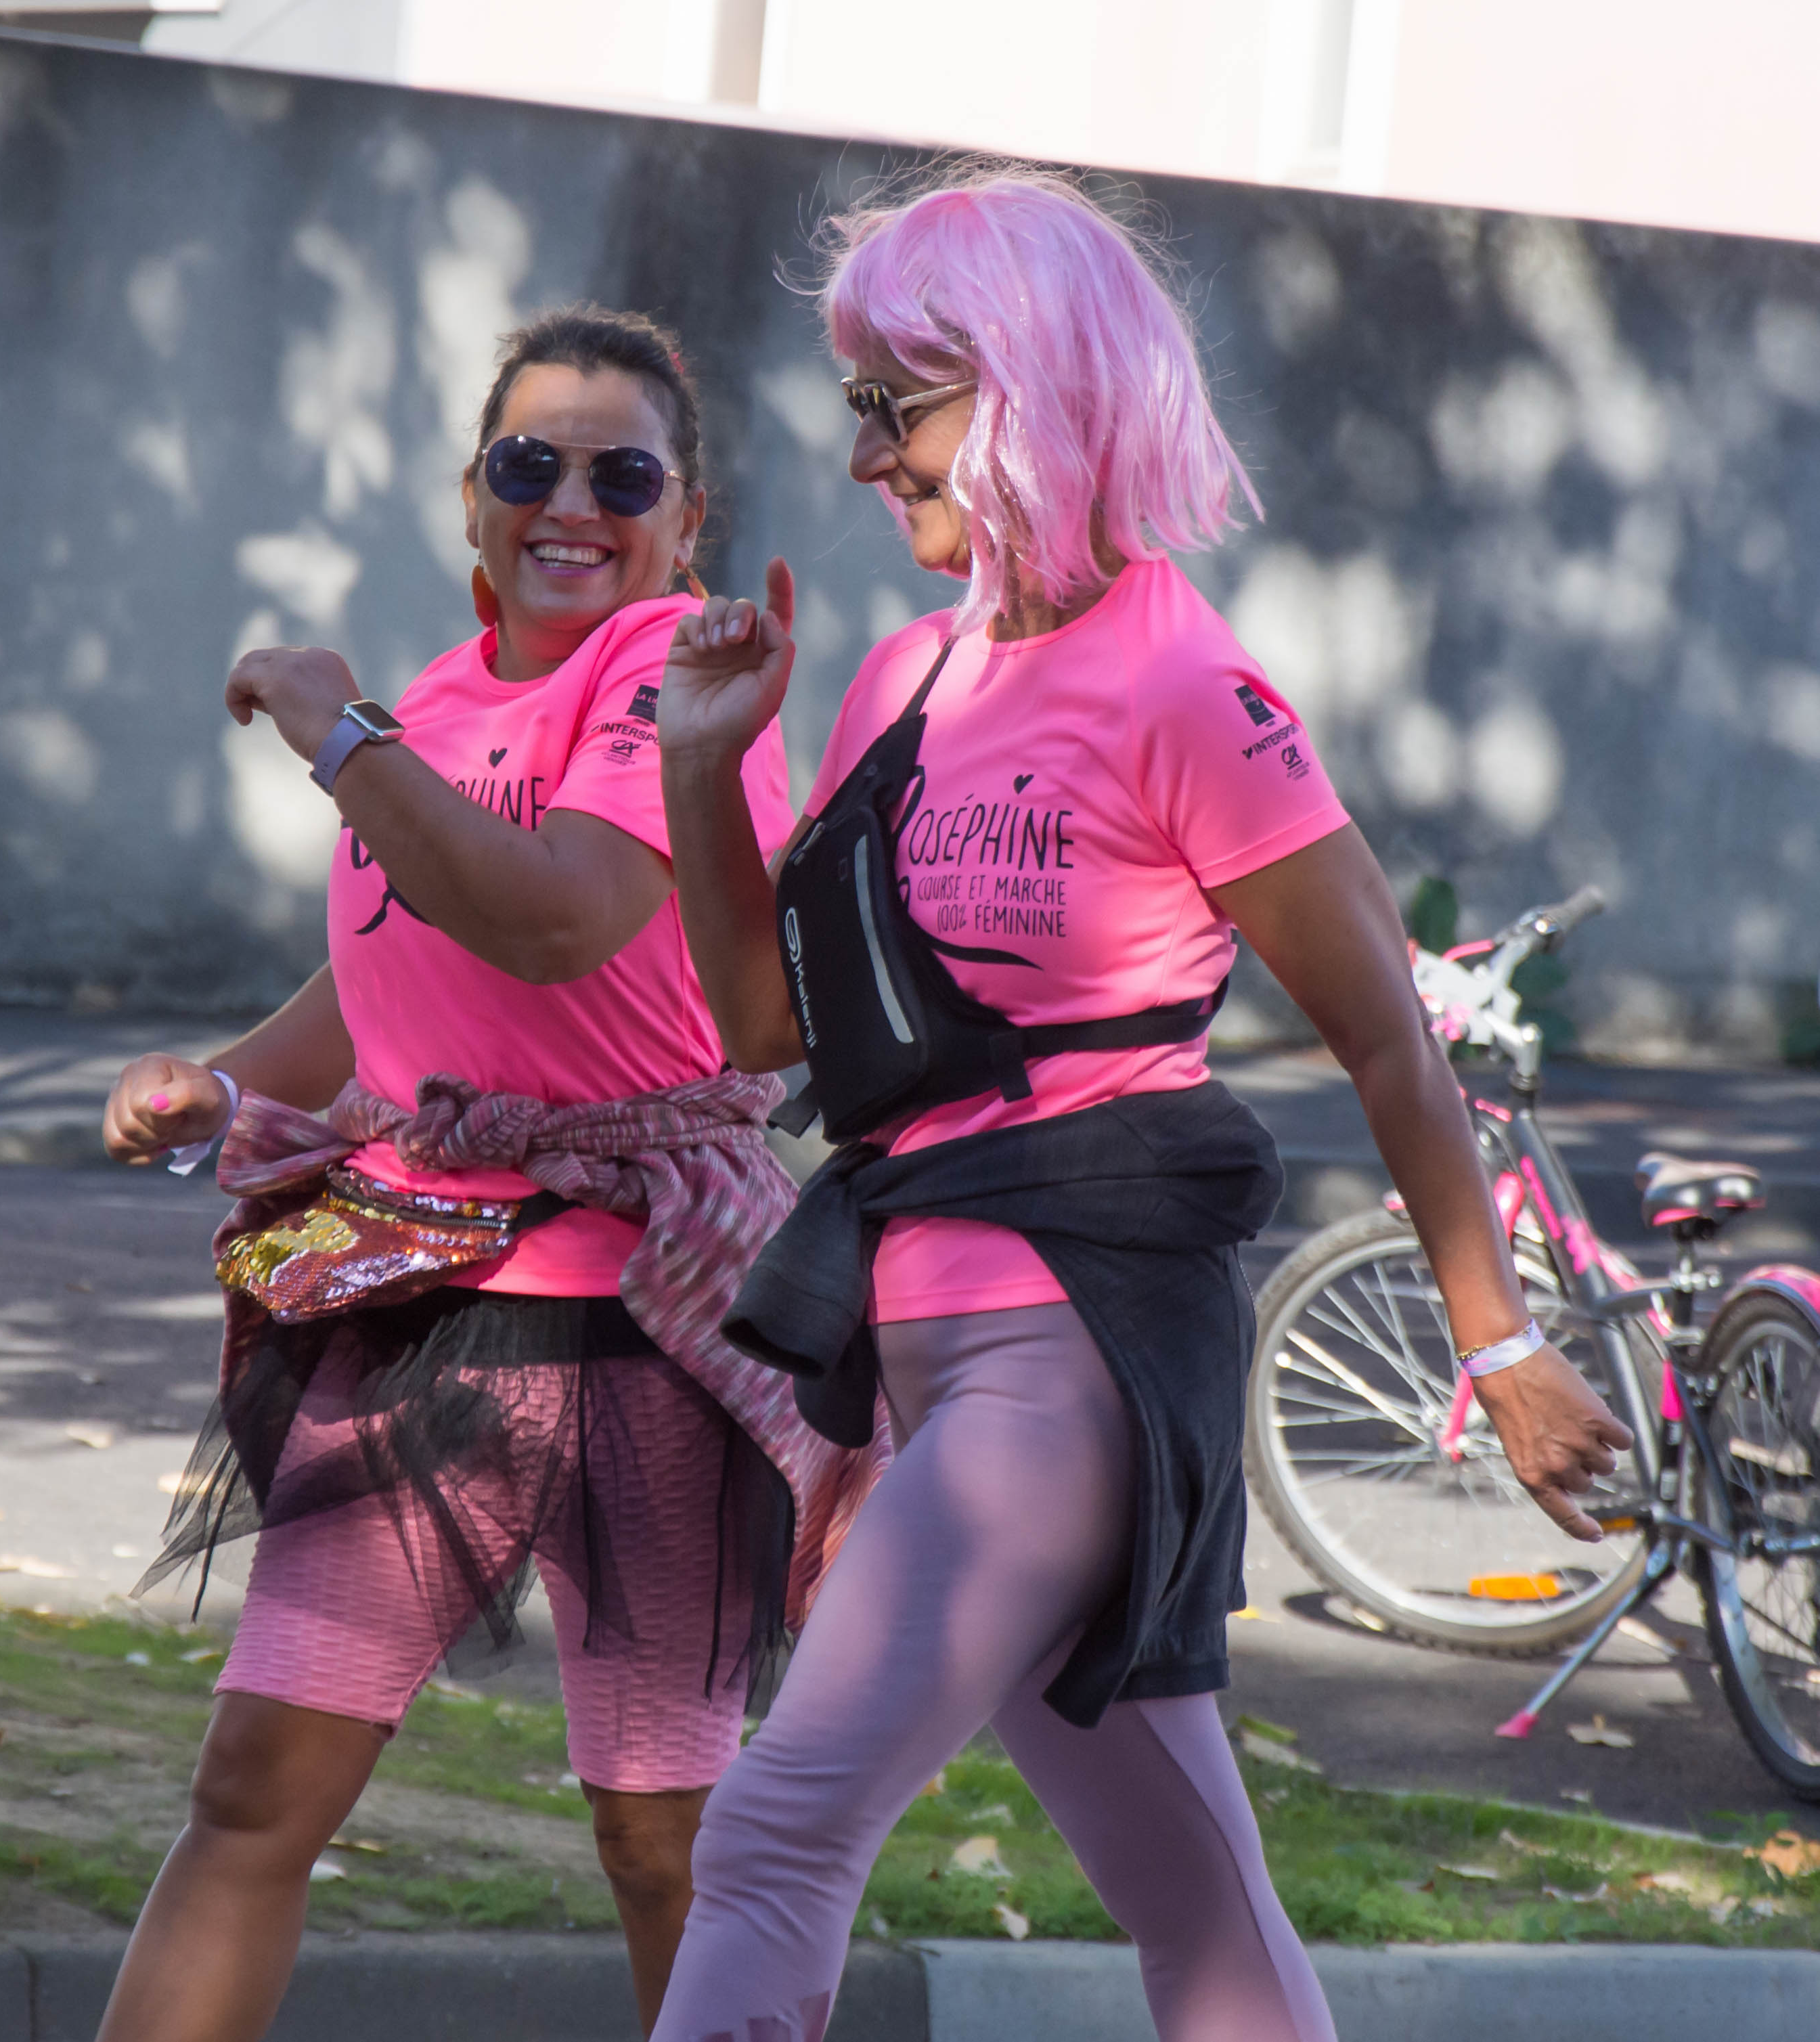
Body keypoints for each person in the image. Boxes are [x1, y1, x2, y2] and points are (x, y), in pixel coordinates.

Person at [646, 168, 1635, 2042]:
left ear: (1028, 384)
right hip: (934, 1356)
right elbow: (773, 1032)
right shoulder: (900, 679)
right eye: (853, 401)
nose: (862, 454)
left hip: (1072, 1358)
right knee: (1197, 1911)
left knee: (774, 1827)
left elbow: (1381, 1040)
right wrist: (710, 772)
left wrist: (1491, 1338)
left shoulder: (1187, 683)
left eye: (896, 401)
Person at [95, 305, 881, 2042]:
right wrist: (212, 1083)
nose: (571, 502)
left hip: (652, 1334)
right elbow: (396, 964)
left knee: (665, 1839)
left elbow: (550, 919)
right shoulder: (444, 700)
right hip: (418, 1296)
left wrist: (330, 727)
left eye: (624, 471)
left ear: (686, 515)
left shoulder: (677, 669)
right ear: (471, 496)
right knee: (250, 1792)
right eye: (530, 463)